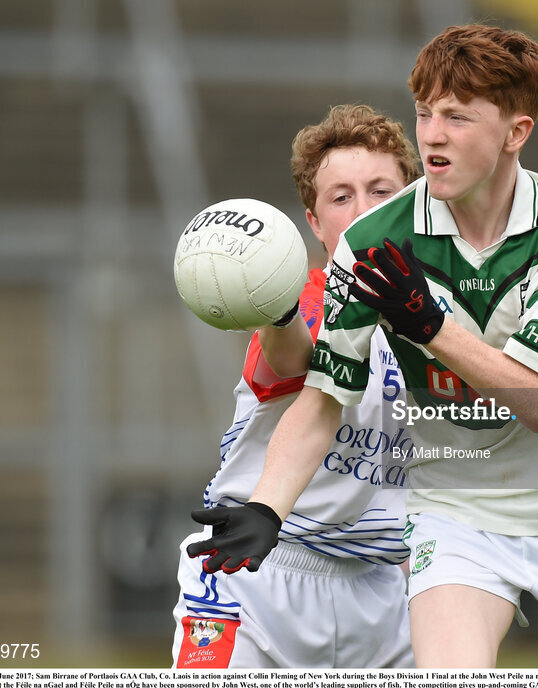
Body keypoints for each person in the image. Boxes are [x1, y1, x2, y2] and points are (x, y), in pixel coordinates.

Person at [191, 25, 538, 668]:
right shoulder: (359, 262)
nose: (432, 133)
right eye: (425, 114)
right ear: (313, 220)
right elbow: (307, 379)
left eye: (456, 117)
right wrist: (266, 506)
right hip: (434, 519)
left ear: (516, 132)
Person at [170, 104, 421, 668]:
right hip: (258, 569)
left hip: (381, 595)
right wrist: (277, 313)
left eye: (381, 192)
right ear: (313, 222)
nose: (363, 212)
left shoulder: (447, 326)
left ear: (412, 203)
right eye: (341, 197)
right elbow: (293, 354)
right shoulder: (304, 301)